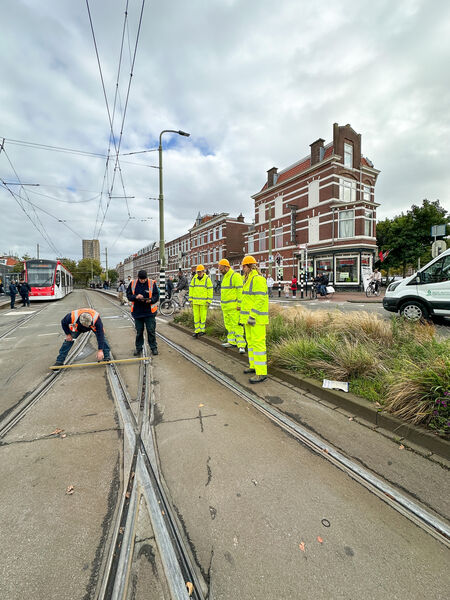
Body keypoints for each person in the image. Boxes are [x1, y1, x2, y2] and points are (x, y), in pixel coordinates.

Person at [239, 256, 269, 384]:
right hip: (249, 319)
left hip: (256, 319)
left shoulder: (258, 280)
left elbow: (260, 300)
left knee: (258, 345)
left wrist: (252, 316)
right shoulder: (247, 280)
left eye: (244, 266)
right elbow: (247, 300)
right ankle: (254, 366)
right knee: (251, 344)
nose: (242, 269)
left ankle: (261, 372)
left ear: (250, 266)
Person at [126, 269, 160, 356]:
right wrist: (136, 297)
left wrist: (151, 300)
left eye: (144, 279)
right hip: (137, 313)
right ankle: (138, 348)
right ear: (138, 278)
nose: (143, 281)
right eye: (141, 279)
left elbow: (156, 295)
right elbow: (129, 295)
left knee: (151, 330)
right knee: (139, 331)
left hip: (149, 313)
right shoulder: (133, 284)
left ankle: (153, 348)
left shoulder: (152, 283)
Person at [218, 258, 245, 353]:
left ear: (226, 267)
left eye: (221, 269)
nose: (220, 271)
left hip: (234, 307)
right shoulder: (225, 277)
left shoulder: (235, 276)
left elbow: (240, 291)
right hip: (226, 307)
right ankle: (232, 342)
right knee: (229, 326)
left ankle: (241, 345)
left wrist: (239, 304)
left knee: (237, 326)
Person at [189, 264, 213, 338]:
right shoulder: (194, 279)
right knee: (196, 317)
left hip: (203, 302)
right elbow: (191, 289)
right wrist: (190, 299)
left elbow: (210, 290)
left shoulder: (207, 279)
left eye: (200, 272)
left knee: (203, 317)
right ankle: (197, 331)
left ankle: (202, 330)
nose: (199, 273)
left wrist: (209, 301)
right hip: (195, 302)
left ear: (203, 271)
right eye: (198, 272)